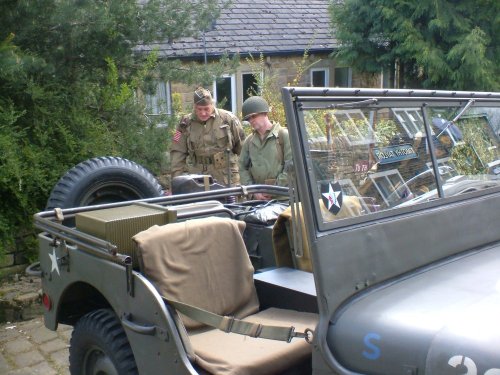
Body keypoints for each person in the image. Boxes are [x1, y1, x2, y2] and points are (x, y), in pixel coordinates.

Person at [170, 87, 245, 187]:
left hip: (226, 177)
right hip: (198, 179)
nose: (203, 113)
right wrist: (175, 184)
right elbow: (177, 154)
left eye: (206, 109)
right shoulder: (184, 124)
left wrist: (248, 181)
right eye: (199, 109)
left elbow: (243, 150)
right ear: (194, 106)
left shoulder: (228, 120)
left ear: (212, 105)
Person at [239, 96, 292, 200]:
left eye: (254, 116)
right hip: (258, 199)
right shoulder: (249, 141)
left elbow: (291, 167)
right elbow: (242, 167)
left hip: (283, 198)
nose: (251, 121)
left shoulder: (283, 135)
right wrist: (254, 192)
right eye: (248, 119)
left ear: (265, 113)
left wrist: (273, 189)